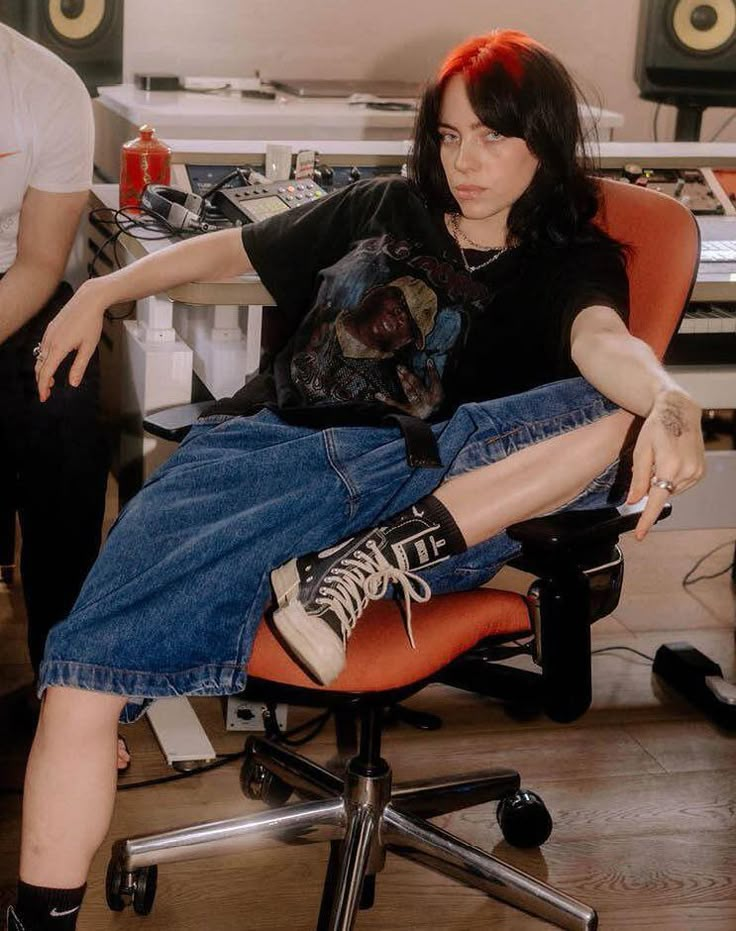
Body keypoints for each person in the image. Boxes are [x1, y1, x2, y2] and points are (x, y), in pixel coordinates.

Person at [7, 30, 704, 931]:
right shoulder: (385, 206)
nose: (467, 162)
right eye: (451, 136)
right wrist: (101, 291)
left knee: (610, 409)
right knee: (82, 672)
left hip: (426, 489)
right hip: (265, 454)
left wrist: (672, 399)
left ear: (545, 141)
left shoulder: (570, 261)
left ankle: (368, 564)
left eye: (495, 138)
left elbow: (607, 346)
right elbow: (233, 250)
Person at [0, 27, 109, 694]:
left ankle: (61, 674)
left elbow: (40, 264)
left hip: (14, 290)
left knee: (64, 404)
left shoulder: (48, 89)